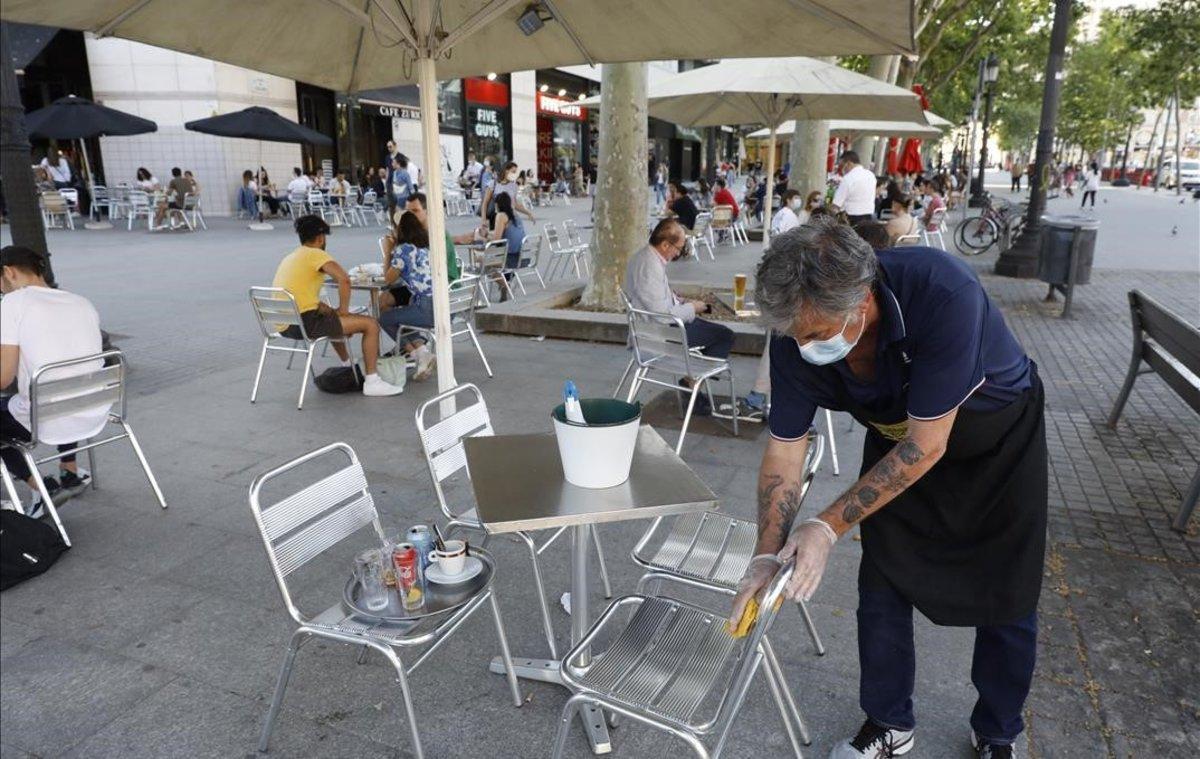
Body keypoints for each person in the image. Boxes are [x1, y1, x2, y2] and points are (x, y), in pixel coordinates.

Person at [735, 217, 1044, 759]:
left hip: (996, 443)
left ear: (861, 301)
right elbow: (786, 449)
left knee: (1008, 591)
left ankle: (998, 730)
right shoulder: (795, 334)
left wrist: (825, 527)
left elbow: (930, 444)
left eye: (814, 333)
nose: (803, 346)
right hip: (899, 438)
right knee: (882, 582)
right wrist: (765, 554)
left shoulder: (944, 292)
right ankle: (888, 722)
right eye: (794, 335)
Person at [0, 246, 104, 516]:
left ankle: (41, 489)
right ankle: (69, 470)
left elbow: (3, 378)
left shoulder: (12, 304)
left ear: (8, 272)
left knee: (22, 403)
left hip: (46, 418)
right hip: (92, 409)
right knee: (62, 386)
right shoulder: (81, 301)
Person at [271, 216, 403, 397]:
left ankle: (347, 366)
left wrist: (332, 312)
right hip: (305, 323)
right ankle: (372, 382)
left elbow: (301, 296)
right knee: (371, 324)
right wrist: (343, 311)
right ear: (320, 237)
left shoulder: (291, 256)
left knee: (329, 316)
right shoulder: (316, 254)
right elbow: (344, 279)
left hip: (284, 325)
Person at [624, 219, 734, 416]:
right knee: (725, 336)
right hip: (660, 337)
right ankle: (692, 384)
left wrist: (679, 300)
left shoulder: (646, 257)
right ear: (665, 244)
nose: (679, 253)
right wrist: (694, 307)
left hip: (653, 330)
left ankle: (692, 385)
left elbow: (655, 298)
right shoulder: (649, 266)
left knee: (713, 331)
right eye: (679, 248)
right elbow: (664, 316)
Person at [378, 212, 438, 380]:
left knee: (384, 318)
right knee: (404, 313)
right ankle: (422, 353)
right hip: (442, 307)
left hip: (426, 310)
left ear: (400, 230)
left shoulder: (403, 250)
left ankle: (417, 356)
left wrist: (388, 252)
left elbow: (388, 279)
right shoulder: (425, 247)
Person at [480, 162, 535, 227]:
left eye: (516, 172)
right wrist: (483, 219)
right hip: (497, 218)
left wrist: (528, 213)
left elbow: (515, 205)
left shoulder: (514, 186)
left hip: (511, 218)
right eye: (513, 172)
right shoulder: (493, 183)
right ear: (506, 170)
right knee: (498, 236)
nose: (515, 174)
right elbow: (485, 203)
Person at [831, 151, 877, 225]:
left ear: (848, 163)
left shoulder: (848, 178)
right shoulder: (871, 175)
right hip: (868, 216)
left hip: (851, 218)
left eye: (842, 165)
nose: (842, 169)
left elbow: (836, 204)